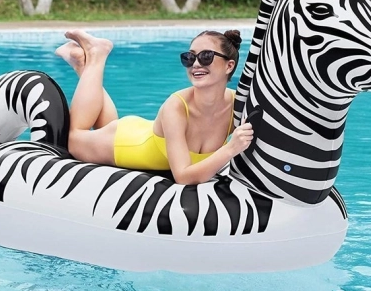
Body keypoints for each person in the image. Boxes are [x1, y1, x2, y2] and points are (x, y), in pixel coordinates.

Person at [55, 29, 253, 185]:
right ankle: (95, 56)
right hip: (124, 144)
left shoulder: (238, 106)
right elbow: (183, 177)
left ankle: (82, 63)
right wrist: (230, 149)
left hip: (142, 131)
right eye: (190, 57)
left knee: (105, 125)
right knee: (74, 139)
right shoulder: (177, 106)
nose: (195, 64)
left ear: (229, 66)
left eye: (206, 56)